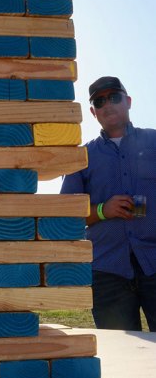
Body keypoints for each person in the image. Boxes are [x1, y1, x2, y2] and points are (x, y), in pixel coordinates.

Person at [61, 76, 156, 331]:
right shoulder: (81, 158)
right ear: (93, 112)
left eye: (114, 97)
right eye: (99, 101)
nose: (107, 105)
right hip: (107, 272)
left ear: (128, 101)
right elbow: (66, 217)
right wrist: (104, 210)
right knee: (123, 354)